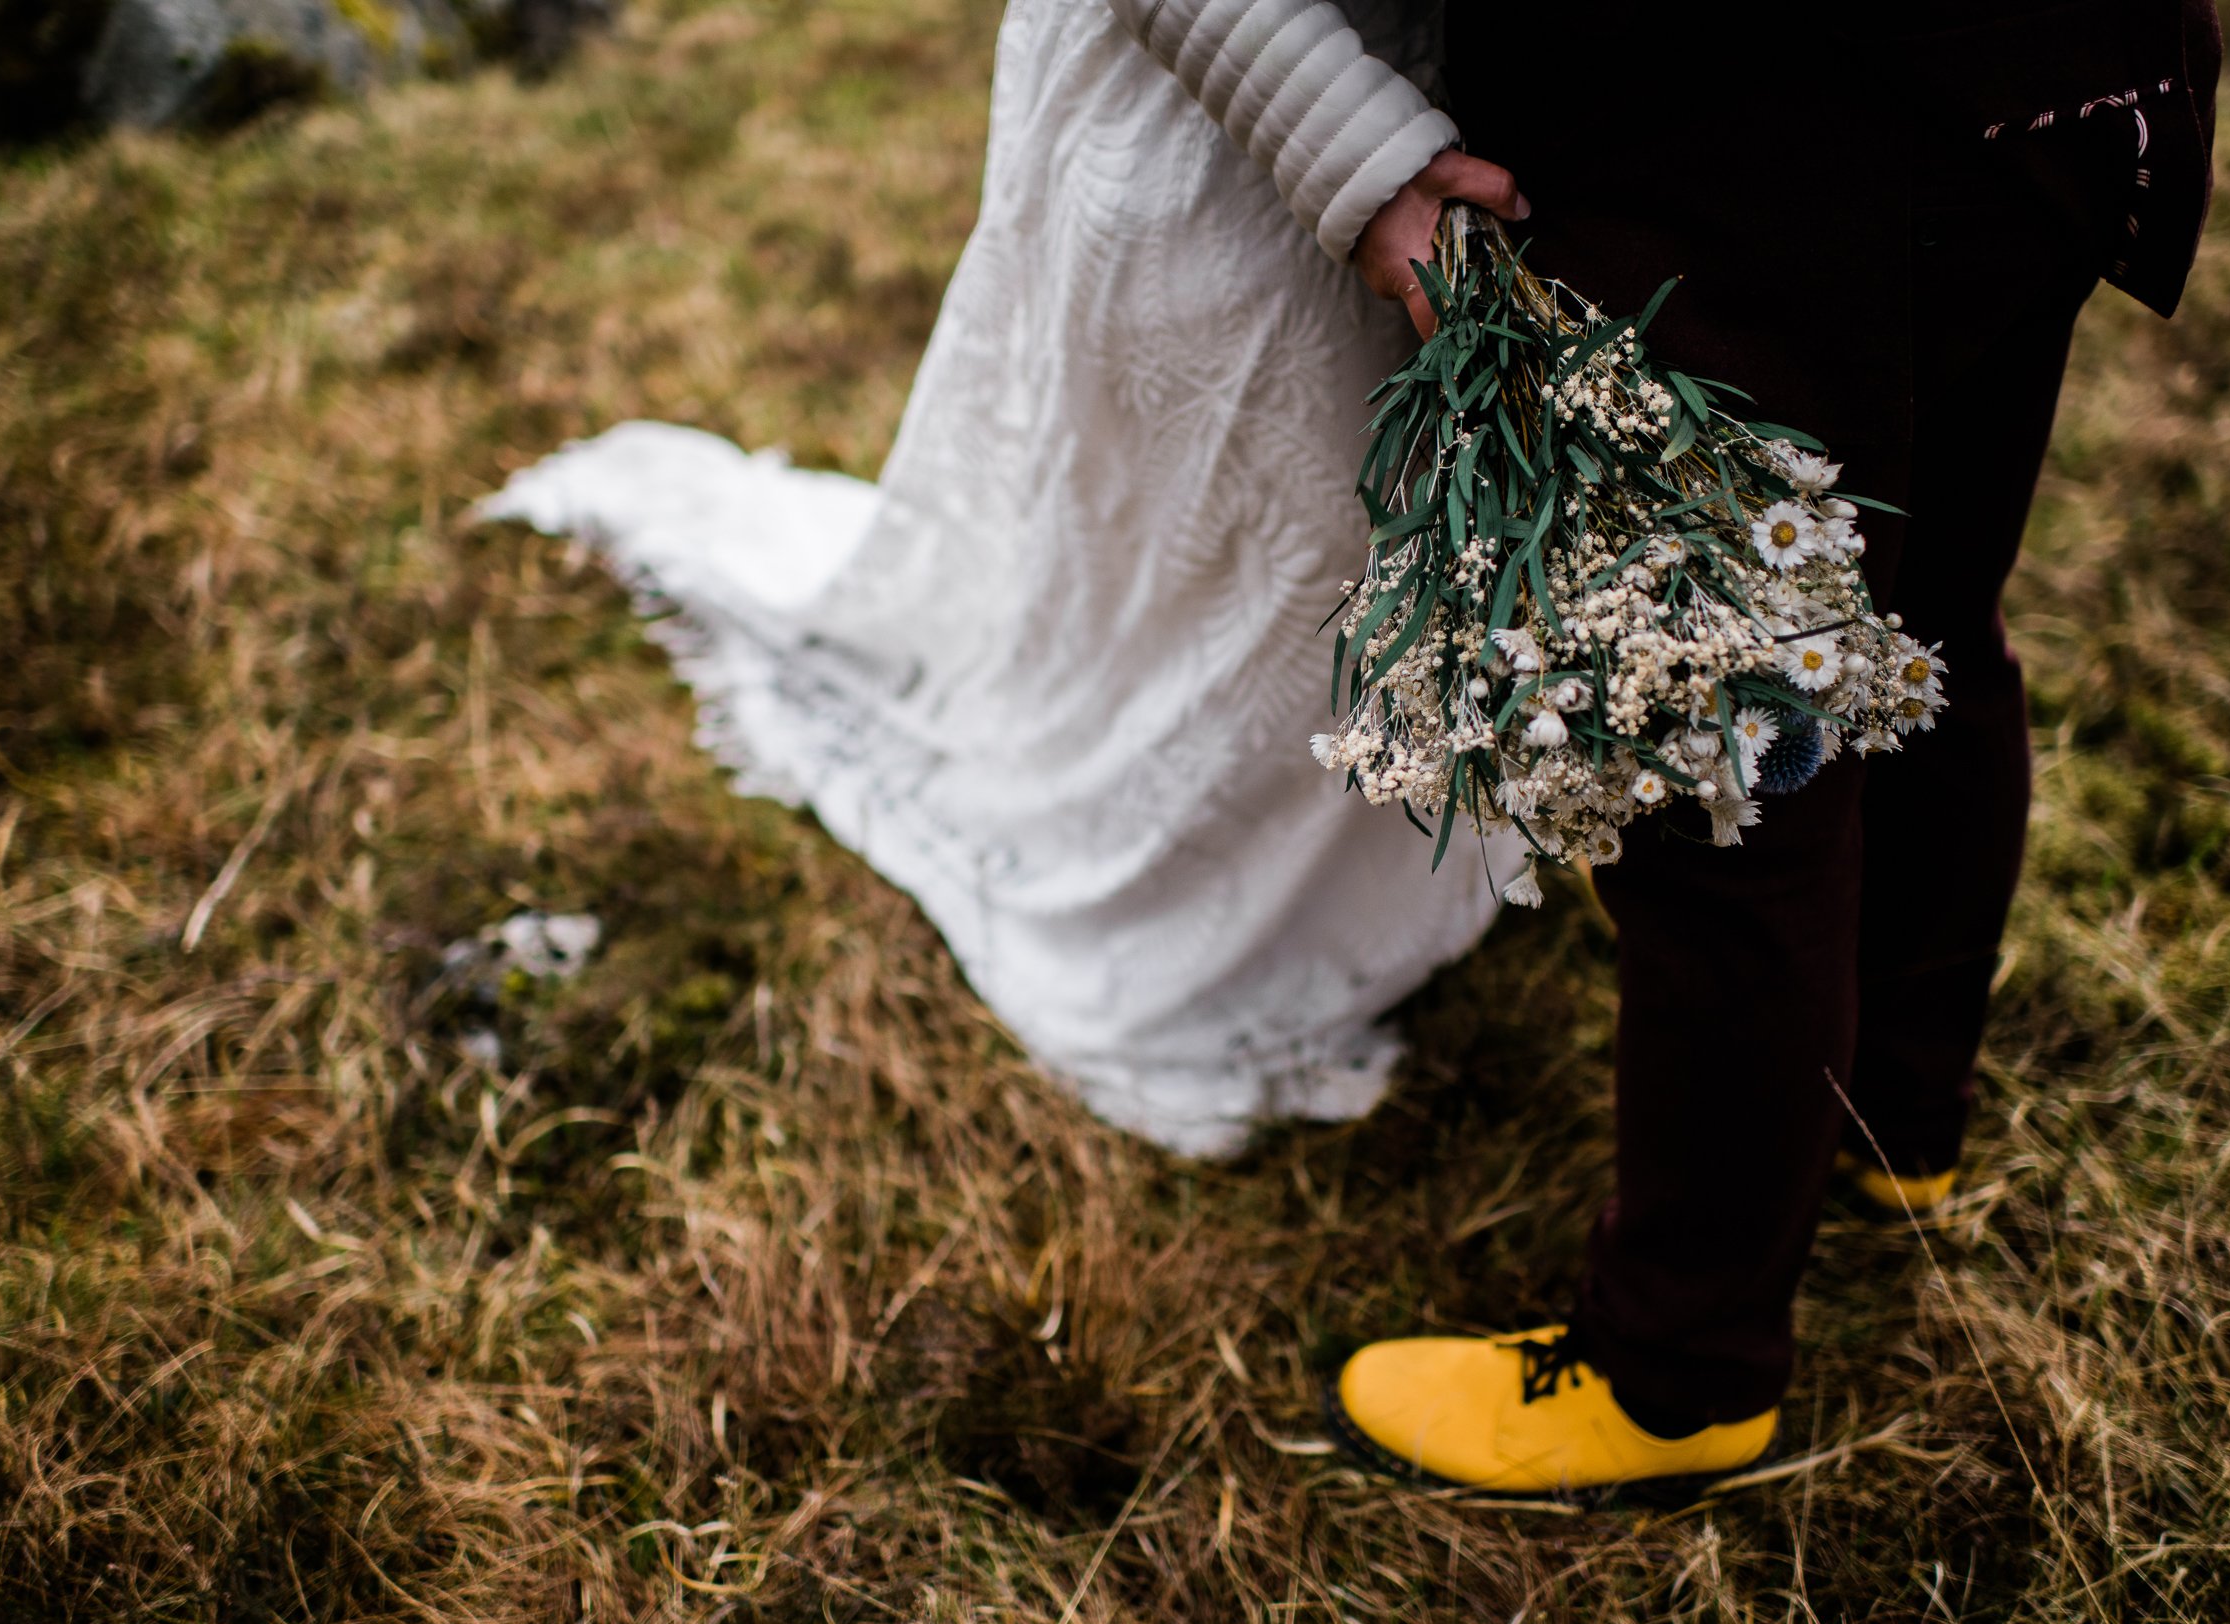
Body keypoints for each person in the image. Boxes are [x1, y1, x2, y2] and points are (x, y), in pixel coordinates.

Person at [1320, 0, 2223, 1498]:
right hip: (2063, 77)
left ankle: (1678, 1368)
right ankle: (1896, 1123)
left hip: (1750, 112)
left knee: (1730, 754)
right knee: (1921, 622)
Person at [484, 0, 1524, 1159]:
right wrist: (1358, 157)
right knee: (1225, 545)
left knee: (1355, 552)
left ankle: (1329, 874)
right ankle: (1178, 894)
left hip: (1451, 139)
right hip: (1232, 119)